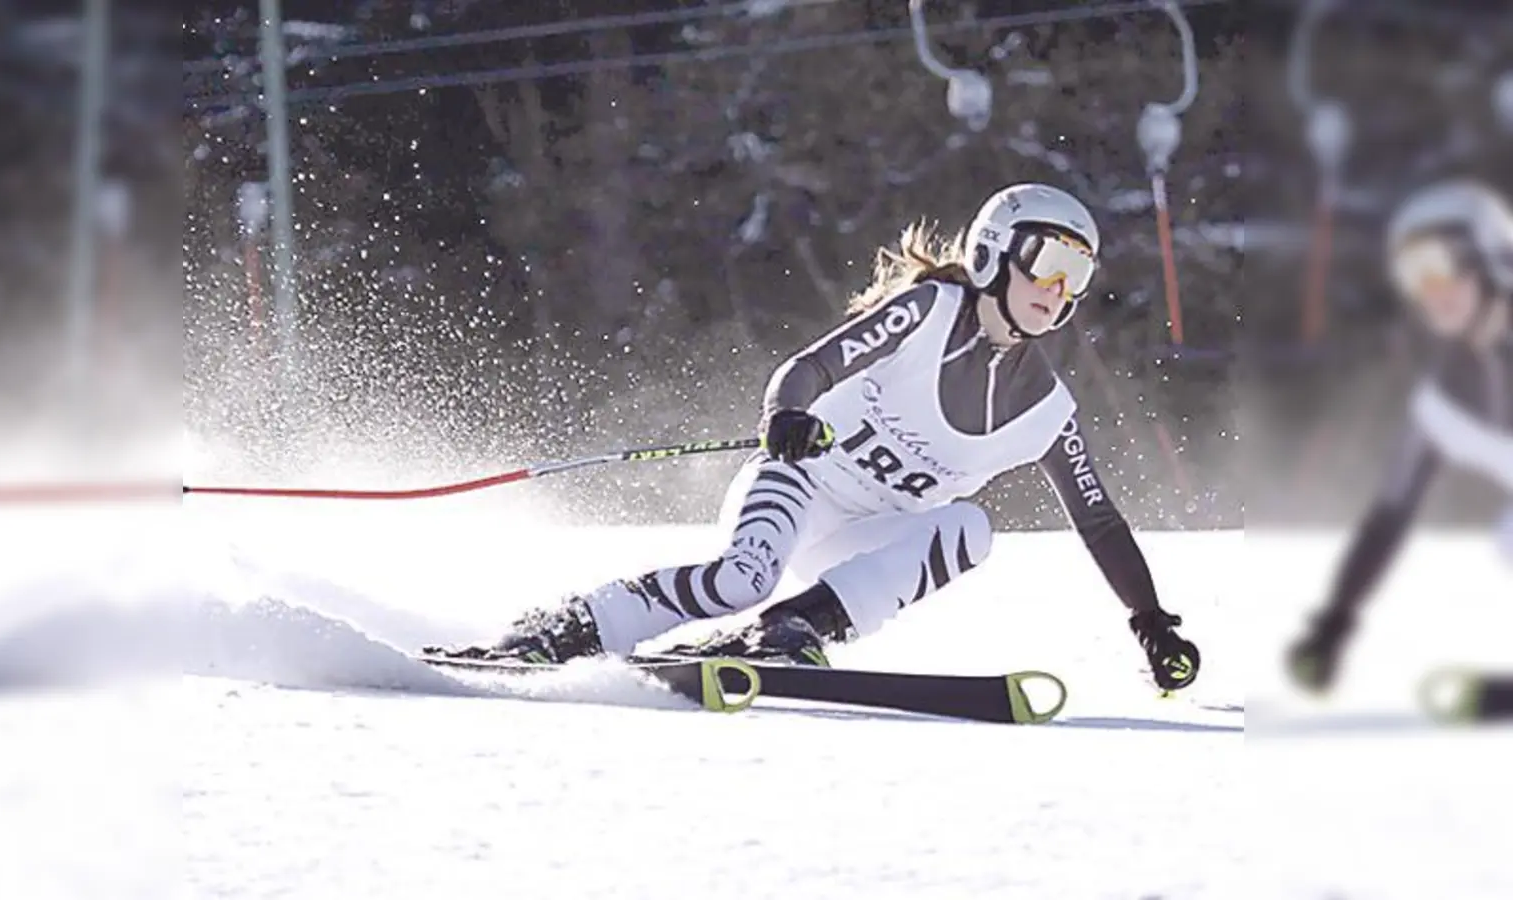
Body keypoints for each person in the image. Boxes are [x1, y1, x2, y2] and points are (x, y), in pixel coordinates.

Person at [442, 182, 1201, 693]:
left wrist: (1150, 622)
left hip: (863, 542)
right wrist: (786, 414)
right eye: (1048, 262)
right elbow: (809, 367)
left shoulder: (1047, 410)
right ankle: (575, 626)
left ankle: (792, 629)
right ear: (992, 252)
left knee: (971, 528)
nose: (1058, 291)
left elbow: (1099, 521)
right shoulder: (929, 311)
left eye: (1078, 275)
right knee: (740, 580)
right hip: (800, 481)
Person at [1287, 178, 1513, 693]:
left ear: (1488, 259)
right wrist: (1333, 626)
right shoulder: (1446, 403)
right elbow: (1389, 516)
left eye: (1438, 266)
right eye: (1414, 275)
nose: (1431, 292)